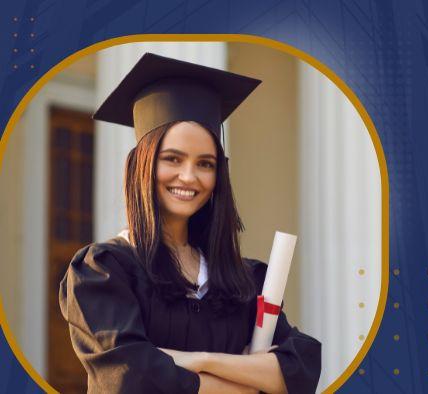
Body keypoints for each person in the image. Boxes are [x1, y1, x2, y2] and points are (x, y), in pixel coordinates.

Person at [59, 52, 321, 393]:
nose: (189, 176)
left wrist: (198, 360)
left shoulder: (244, 282)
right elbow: (131, 377)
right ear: (143, 166)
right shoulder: (102, 272)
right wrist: (247, 380)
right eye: (172, 159)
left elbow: (300, 369)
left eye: (206, 164)